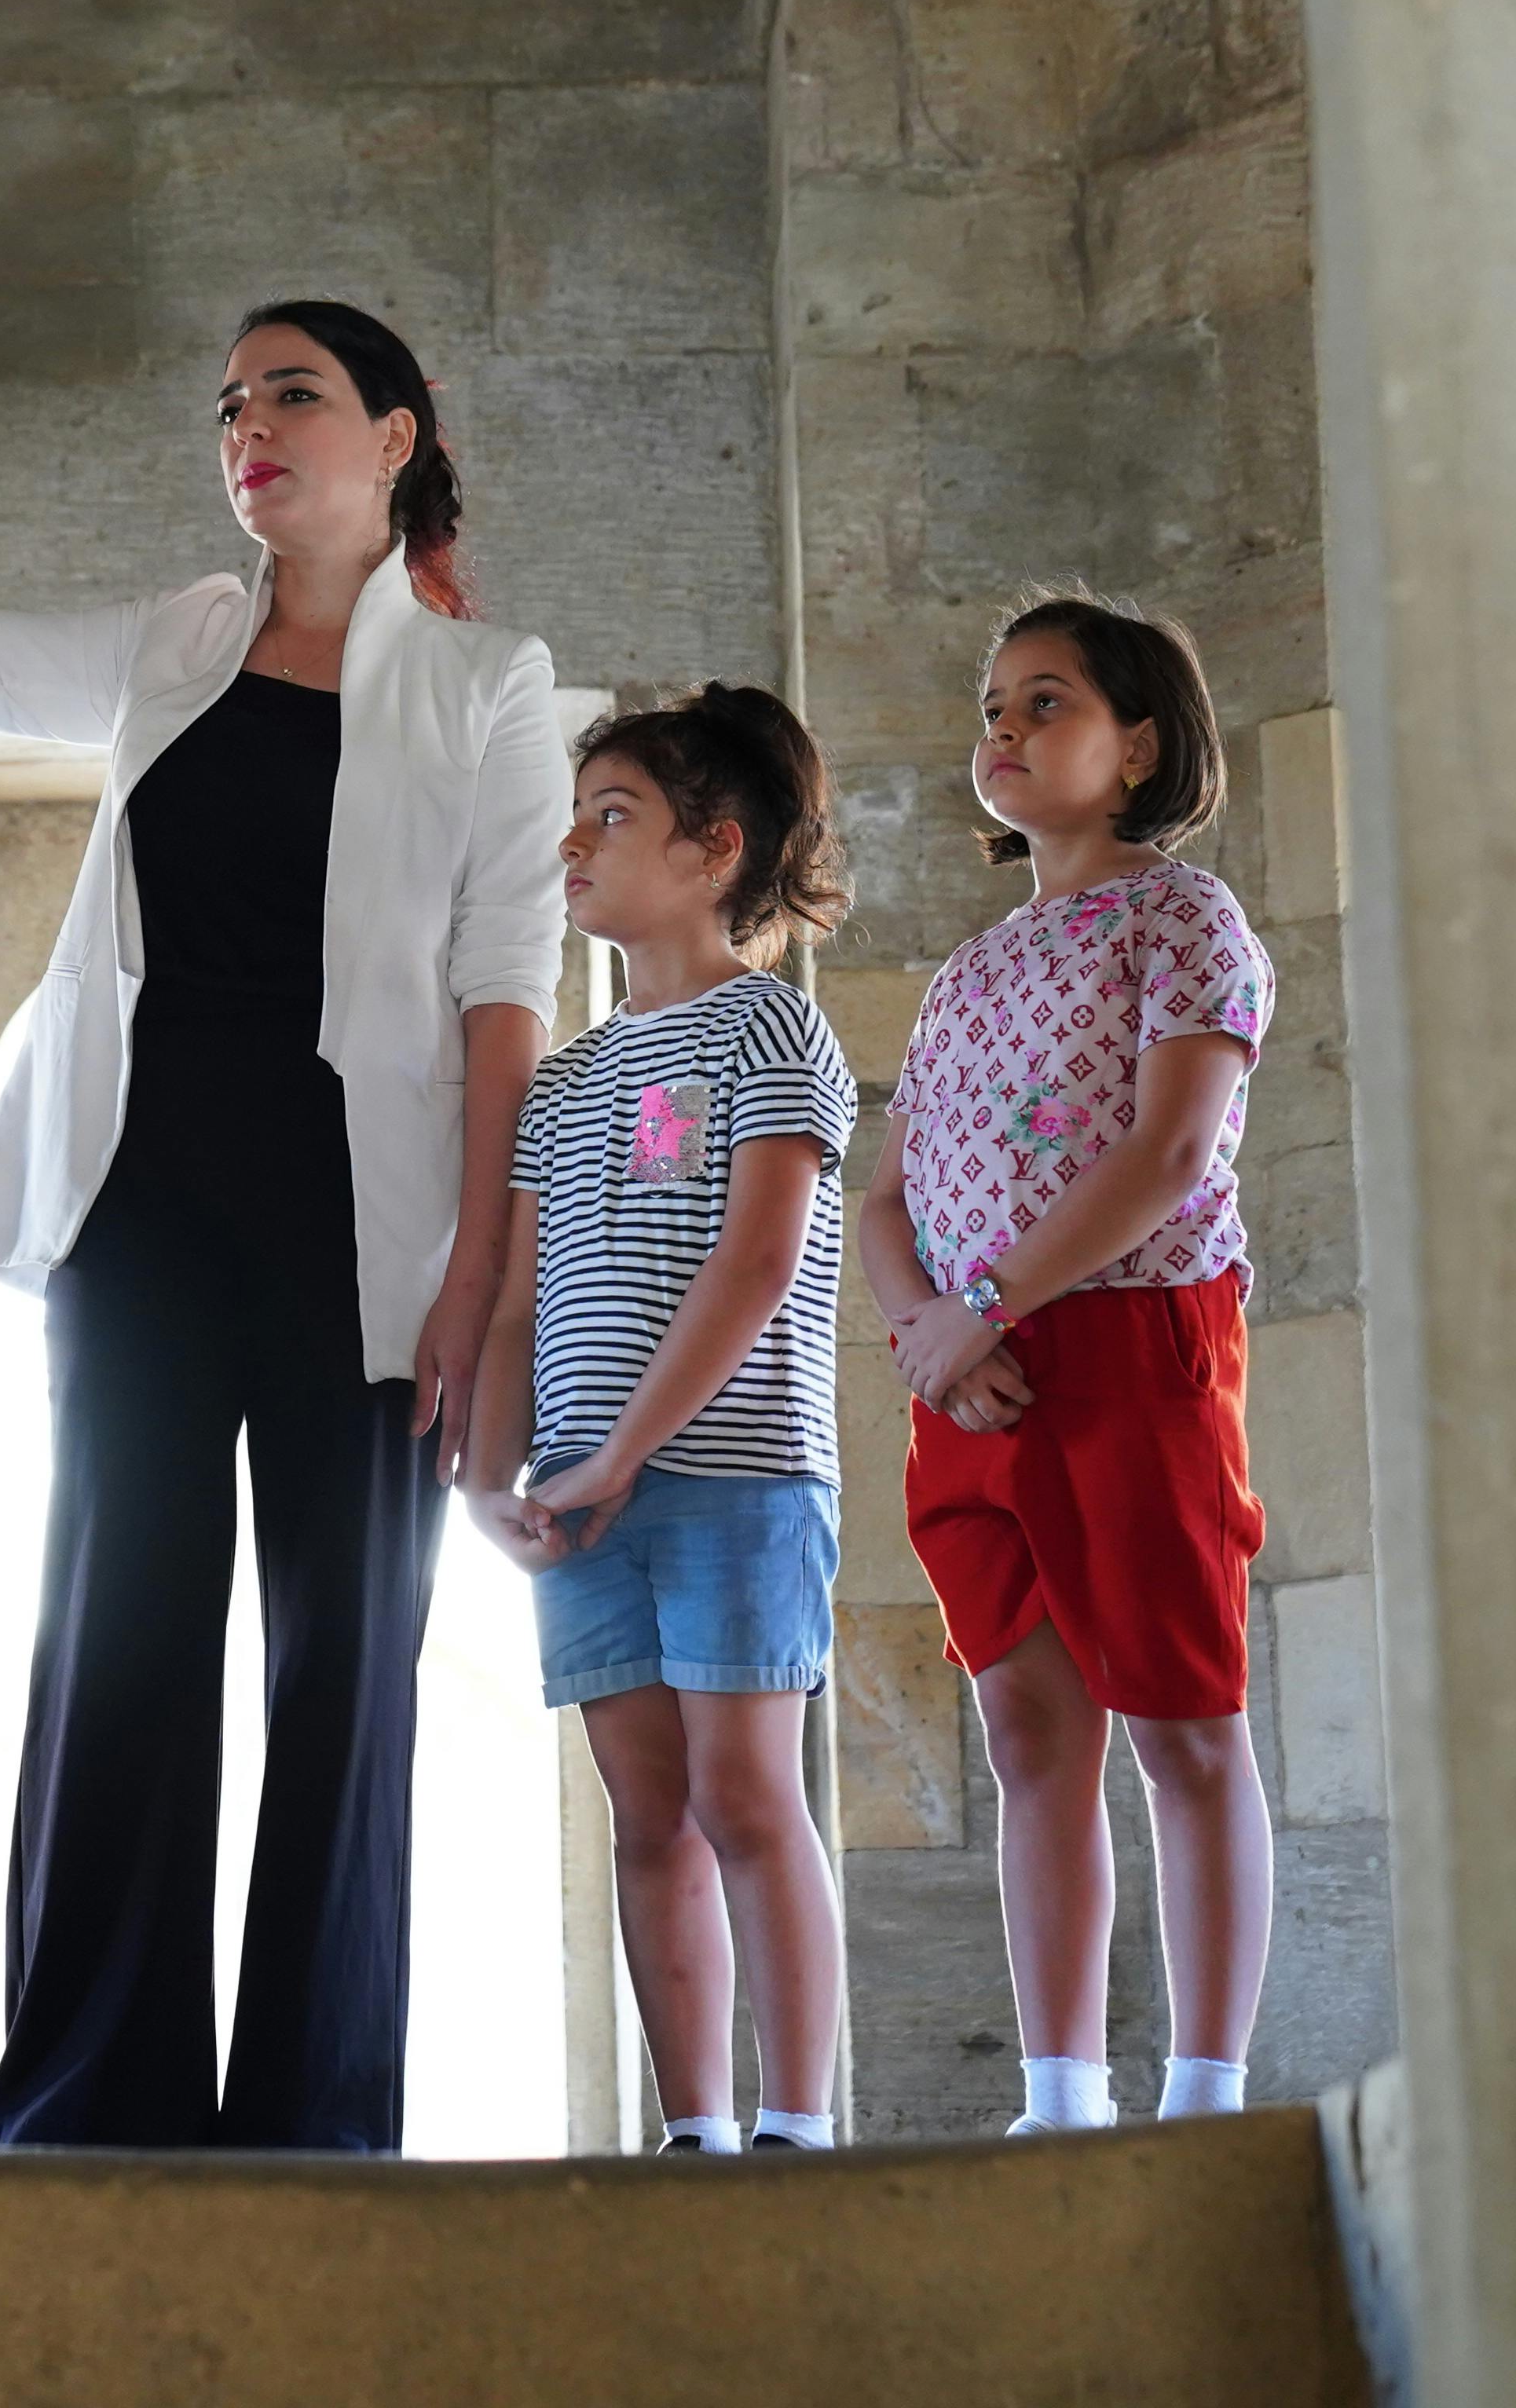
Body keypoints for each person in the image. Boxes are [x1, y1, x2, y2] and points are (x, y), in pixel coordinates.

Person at [0, 194, 565, 2153]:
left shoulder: (493, 683)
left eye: (292, 392)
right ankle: (86, 2098)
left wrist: (478, 1279)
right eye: (227, 405)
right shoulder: (170, 642)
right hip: (134, 1193)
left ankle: (315, 2116)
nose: (249, 428)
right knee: (117, 1623)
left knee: (344, 1657)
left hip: (360, 1224)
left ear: (397, 435)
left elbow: (505, 996)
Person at [869, 592, 1276, 2135]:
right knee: (1029, 1728)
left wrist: (983, 1298)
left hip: (1131, 1343)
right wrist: (928, 1326)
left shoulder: (1188, 920)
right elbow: (886, 1191)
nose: (1006, 728)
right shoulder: (966, 972)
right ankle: (1060, 2095)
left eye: (1047, 701)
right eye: (993, 704)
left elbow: (1171, 1149)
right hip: (970, 1367)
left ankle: (1207, 2089)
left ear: (1142, 741)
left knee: (1183, 1716)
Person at [466, 687, 858, 2155]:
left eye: (611, 815)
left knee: (750, 1795)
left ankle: (797, 2122)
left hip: (734, 1482)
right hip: (578, 1505)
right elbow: (513, 1303)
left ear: (713, 851)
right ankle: (694, 2130)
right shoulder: (561, 1085)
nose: (573, 842)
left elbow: (757, 1265)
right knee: (647, 1817)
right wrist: (490, 1484)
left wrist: (626, 1454)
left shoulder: (773, 1028)